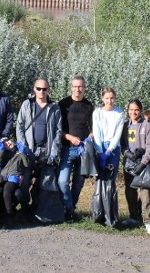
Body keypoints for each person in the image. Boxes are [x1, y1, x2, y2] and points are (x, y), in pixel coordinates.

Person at [15, 78, 62, 210]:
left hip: (46, 152)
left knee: (43, 183)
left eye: (44, 89)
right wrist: (23, 146)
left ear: (48, 90)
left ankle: (38, 209)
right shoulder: (27, 105)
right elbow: (19, 126)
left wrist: (54, 152)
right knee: (25, 182)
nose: (42, 91)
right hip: (29, 150)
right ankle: (24, 208)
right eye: (39, 89)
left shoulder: (54, 107)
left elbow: (58, 132)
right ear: (34, 89)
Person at [58, 75, 94, 222]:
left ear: (84, 88)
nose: (77, 89)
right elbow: (57, 129)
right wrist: (70, 138)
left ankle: (70, 212)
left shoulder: (89, 106)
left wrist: (88, 139)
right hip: (68, 149)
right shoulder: (63, 104)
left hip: (84, 151)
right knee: (62, 182)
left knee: (78, 183)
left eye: (80, 86)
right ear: (71, 87)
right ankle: (70, 208)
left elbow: (94, 129)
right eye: (75, 86)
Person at [120, 99, 150, 231]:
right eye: (131, 109)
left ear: (140, 110)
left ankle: (148, 220)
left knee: (145, 193)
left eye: (136, 109)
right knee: (130, 192)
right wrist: (126, 153)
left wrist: (143, 163)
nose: (133, 112)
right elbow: (121, 144)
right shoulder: (125, 125)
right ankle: (133, 216)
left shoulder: (146, 125)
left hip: (142, 164)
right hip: (129, 163)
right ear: (128, 110)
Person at [91, 87, 124, 227]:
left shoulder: (119, 113)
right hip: (100, 147)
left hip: (113, 149)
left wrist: (109, 151)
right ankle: (99, 213)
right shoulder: (97, 112)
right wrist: (100, 151)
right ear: (102, 98)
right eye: (107, 98)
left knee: (110, 180)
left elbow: (118, 133)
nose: (109, 101)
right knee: (100, 179)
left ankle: (110, 215)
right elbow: (96, 131)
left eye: (112, 98)